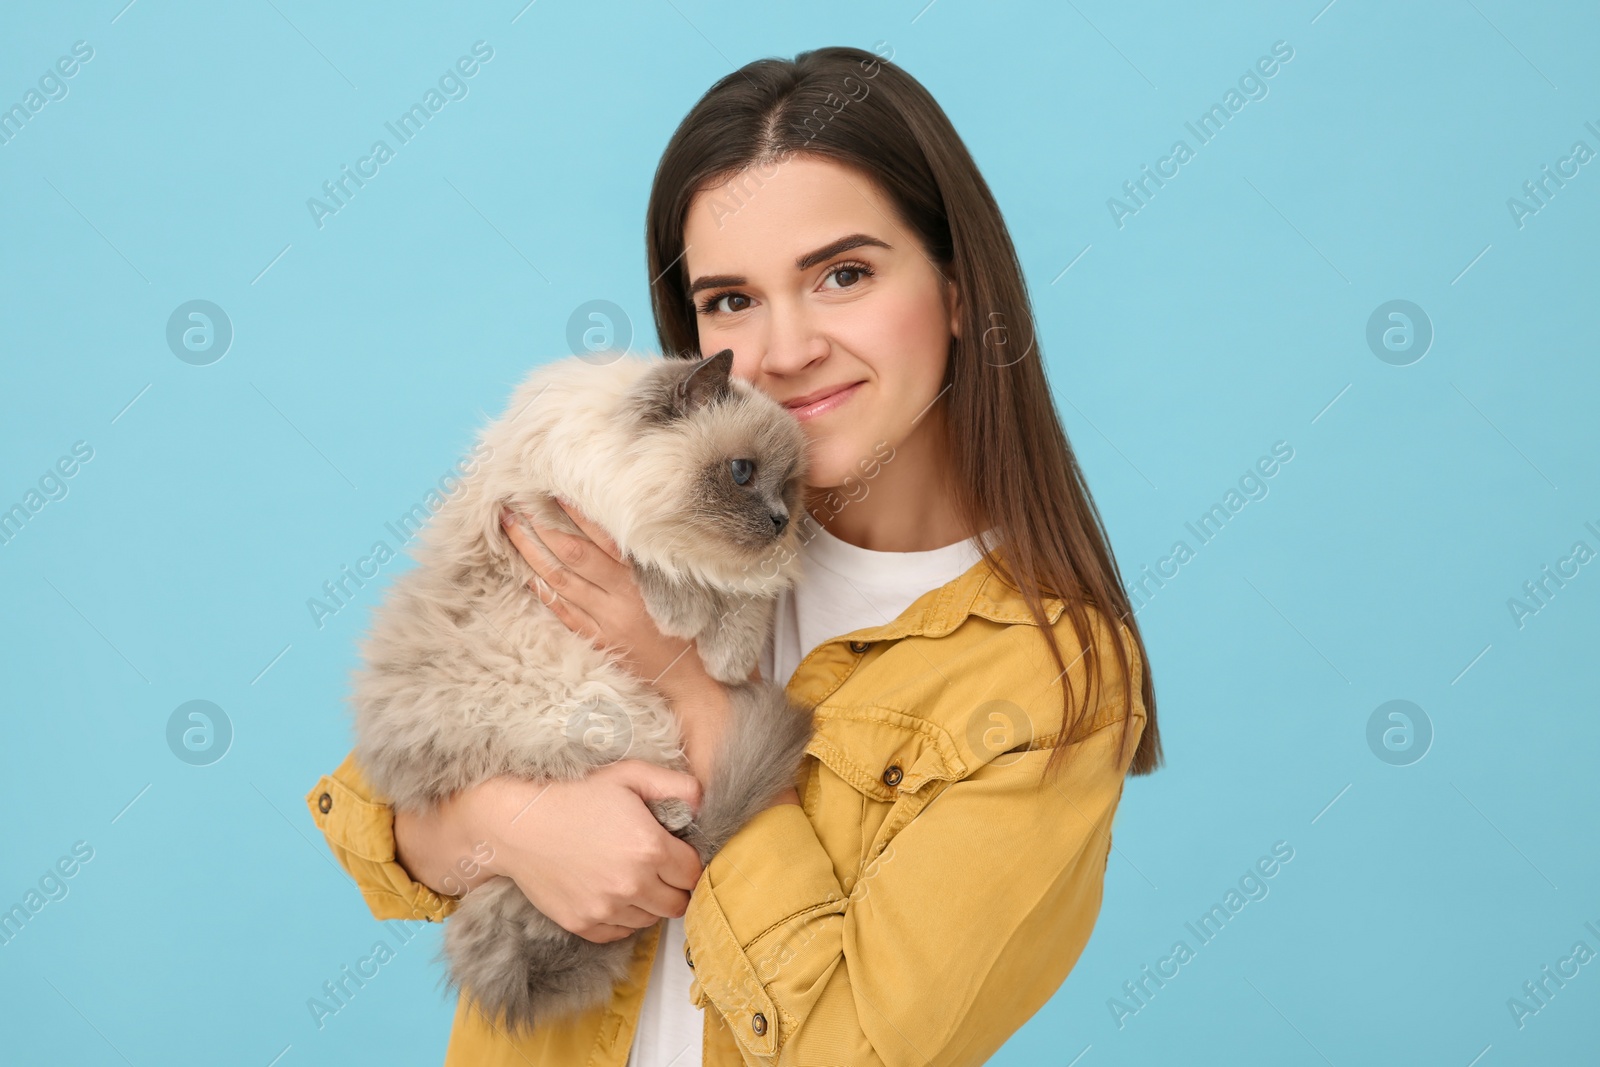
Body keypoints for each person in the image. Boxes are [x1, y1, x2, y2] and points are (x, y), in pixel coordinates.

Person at [305, 44, 1162, 1066]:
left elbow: (853, 1048)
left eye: (842, 274)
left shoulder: (1045, 676)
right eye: (730, 300)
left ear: (959, 287)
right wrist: (514, 824)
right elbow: (368, 812)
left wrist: (685, 687)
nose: (784, 348)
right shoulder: (635, 525)